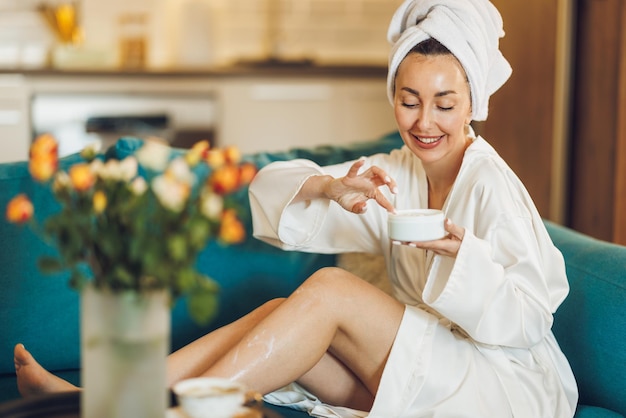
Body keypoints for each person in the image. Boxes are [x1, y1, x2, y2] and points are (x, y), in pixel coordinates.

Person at [14, 0, 578, 416]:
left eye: (444, 104)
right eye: (408, 102)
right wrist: (328, 189)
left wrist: (467, 262)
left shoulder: (490, 185)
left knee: (330, 293)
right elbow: (272, 190)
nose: (424, 122)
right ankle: (103, 400)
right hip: (421, 374)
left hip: (501, 388)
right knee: (282, 315)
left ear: (473, 102)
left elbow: (532, 318)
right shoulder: (395, 172)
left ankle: (174, 413)